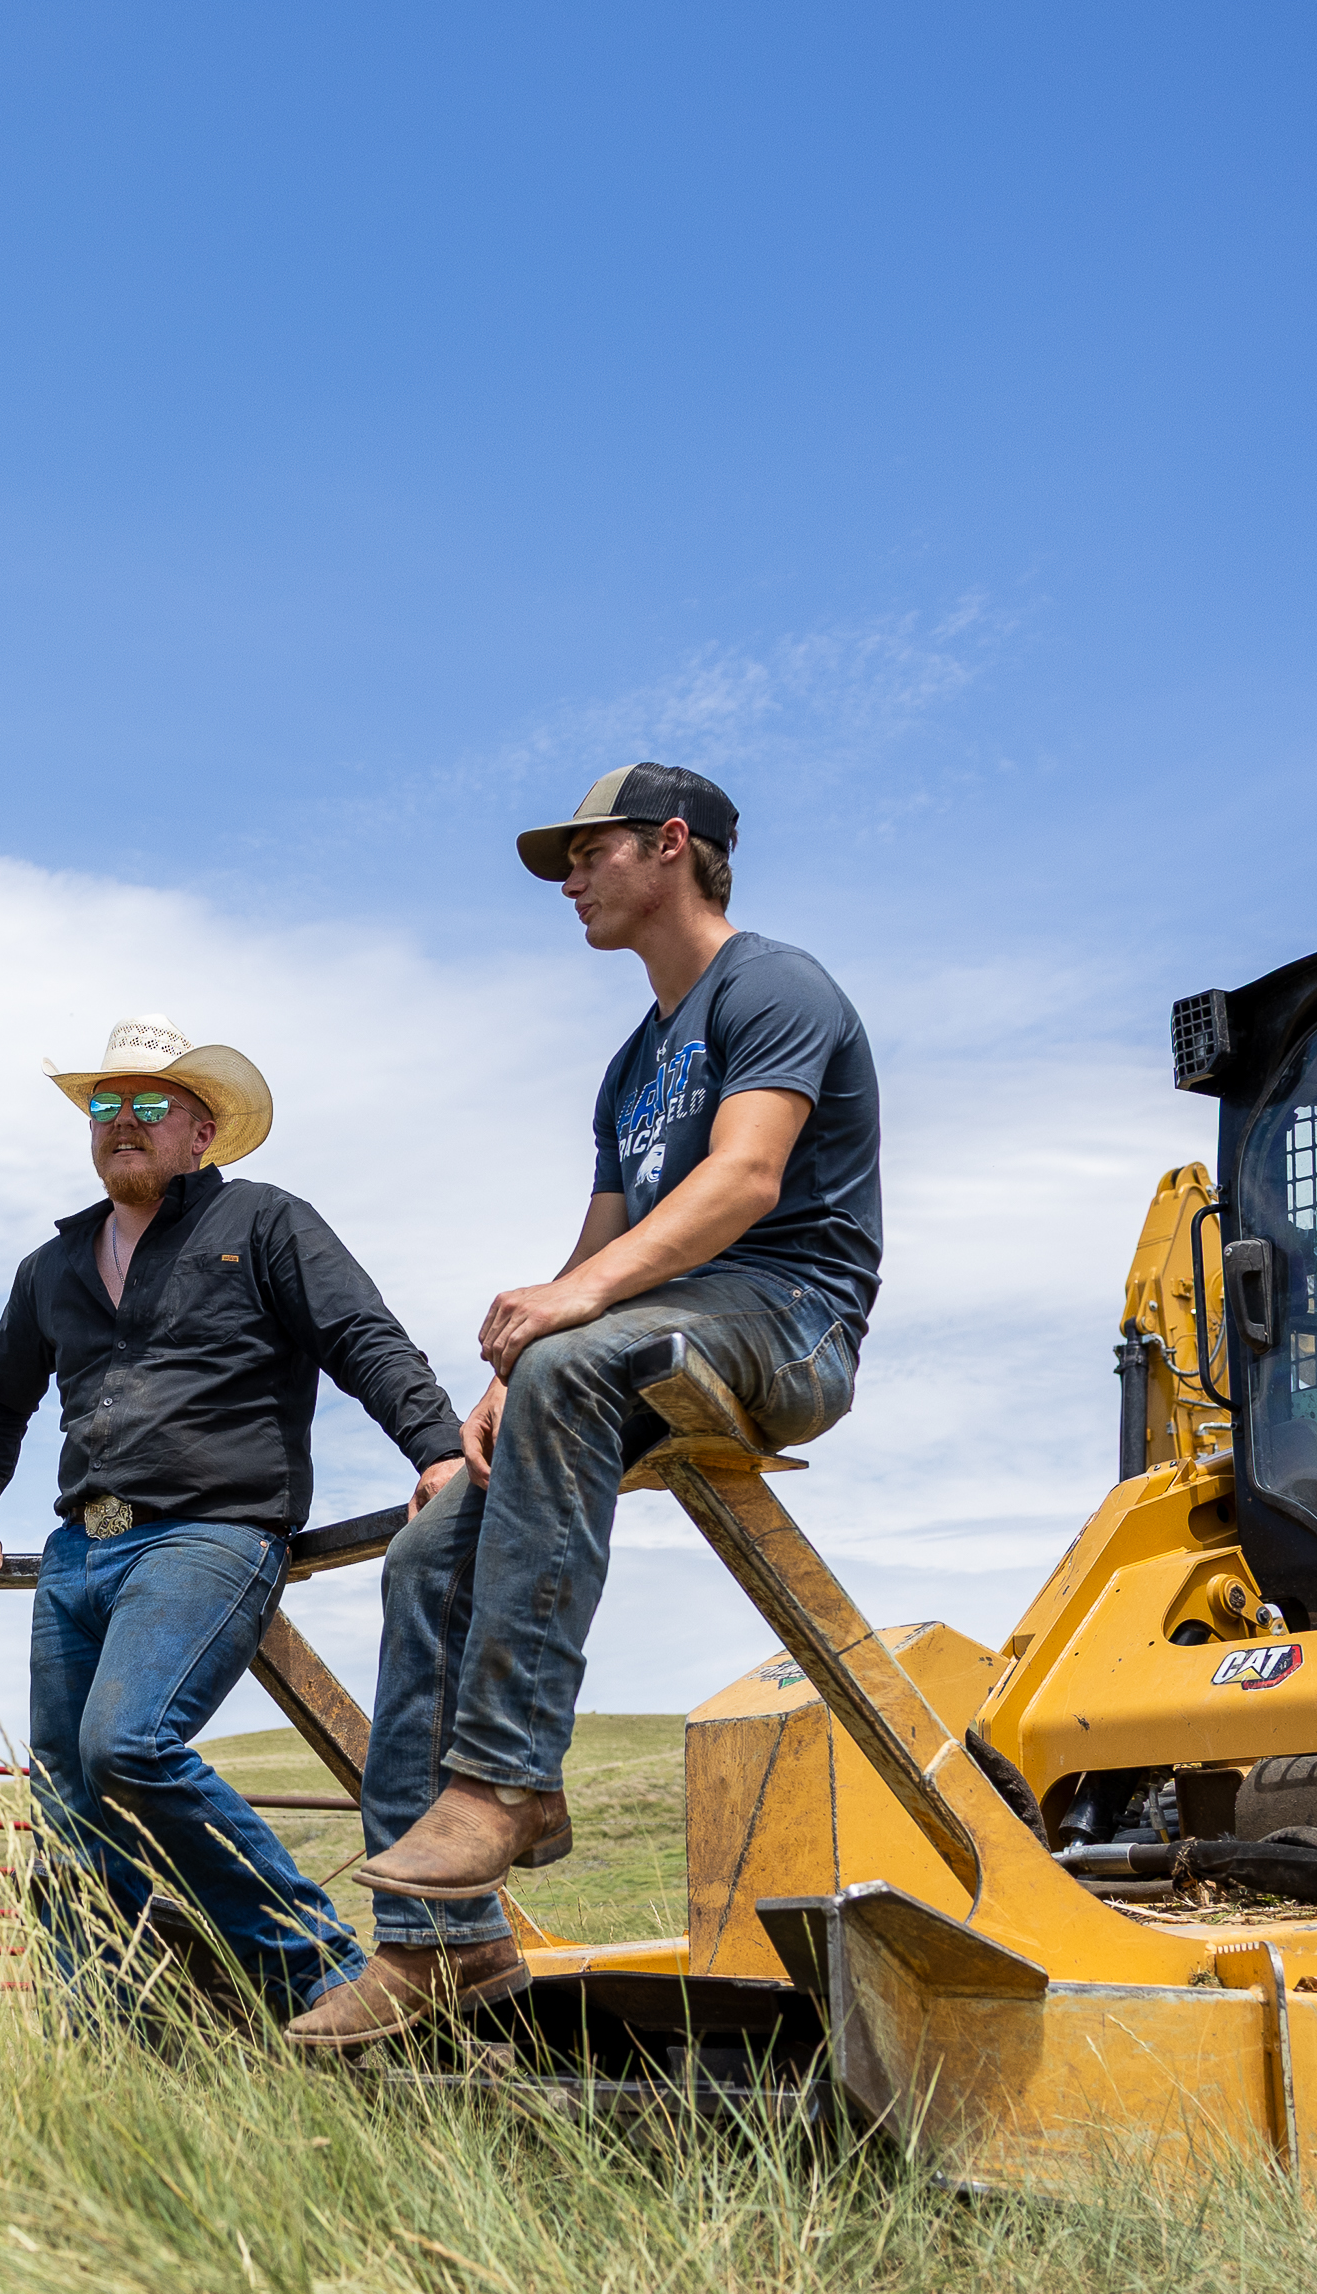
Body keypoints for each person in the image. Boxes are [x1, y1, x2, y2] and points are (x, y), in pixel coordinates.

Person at [289, 765, 882, 2052]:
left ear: (671, 847)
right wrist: (489, 1403)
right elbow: (594, 1252)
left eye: (587, 852)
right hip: (637, 1332)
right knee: (428, 1552)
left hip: (789, 1322)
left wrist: (565, 1324)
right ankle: (439, 1949)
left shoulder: (773, 986)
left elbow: (742, 1180)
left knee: (574, 1356)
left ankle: (506, 1780)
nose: (567, 879)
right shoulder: (631, 1065)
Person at [0, 1014, 468, 2025]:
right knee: (69, 1803)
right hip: (76, 1553)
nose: (122, 1122)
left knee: (128, 1746)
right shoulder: (52, 1266)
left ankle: (324, 1966)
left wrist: (437, 1448)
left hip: (210, 1530)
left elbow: (361, 1334)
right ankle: (113, 2025)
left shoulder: (264, 1224)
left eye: (149, 1103)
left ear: (202, 1132)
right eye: (106, 1104)